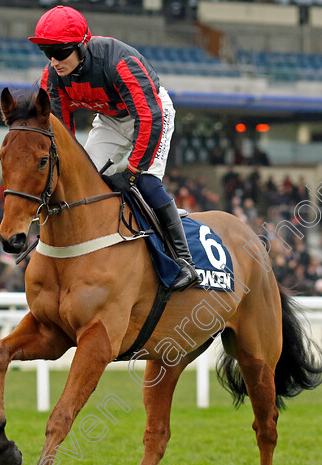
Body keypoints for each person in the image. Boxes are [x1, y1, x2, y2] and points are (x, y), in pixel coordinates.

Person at [29, 6, 199, 291]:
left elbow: (150, 118)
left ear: (82, 45)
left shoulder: (120, 62)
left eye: (60, 53)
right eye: (48, 53)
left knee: (145, 181)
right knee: (79, 181)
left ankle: (184, 261)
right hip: (110, 121)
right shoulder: (53, 77)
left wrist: (132, 171)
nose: (54, 61)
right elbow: (61, 132)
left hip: (152, 114)